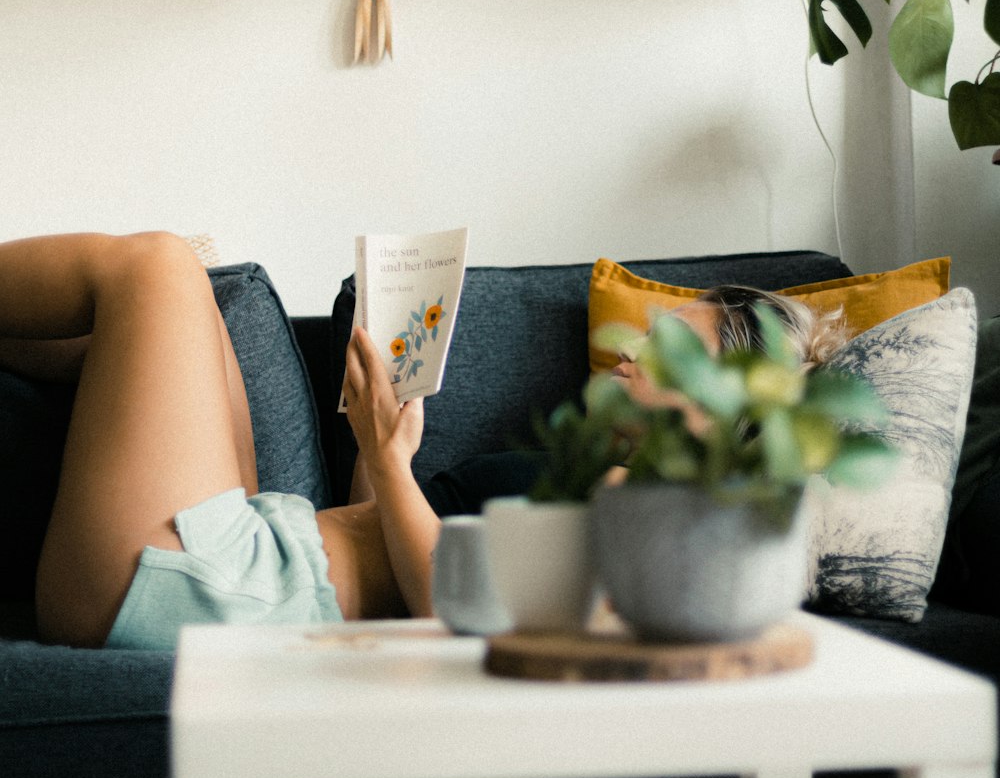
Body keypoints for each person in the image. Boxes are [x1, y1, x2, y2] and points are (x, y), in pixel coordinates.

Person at [0, 233, 845, 650]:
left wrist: (393, 460)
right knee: (169, 307)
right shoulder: (603, 478)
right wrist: (381, 445)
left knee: (159, 266)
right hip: (256, 566)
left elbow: (456, 609)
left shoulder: (642, 505)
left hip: (223, 597)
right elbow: (390, 563)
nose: (629, 350)